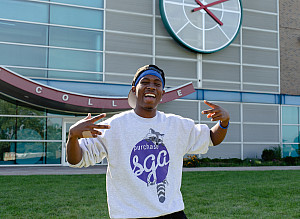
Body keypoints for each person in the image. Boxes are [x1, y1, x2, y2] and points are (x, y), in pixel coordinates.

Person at [67, 64, 230, 219]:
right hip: (129, 214)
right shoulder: (114, 125)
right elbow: (77, 159)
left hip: (171, 213)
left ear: (162, 93)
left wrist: (224, 122)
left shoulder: (176, 124)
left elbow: (211, 138)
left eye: (157, 84)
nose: (151, 86)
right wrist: (73, 137)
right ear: (134, 90)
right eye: (144, 82)